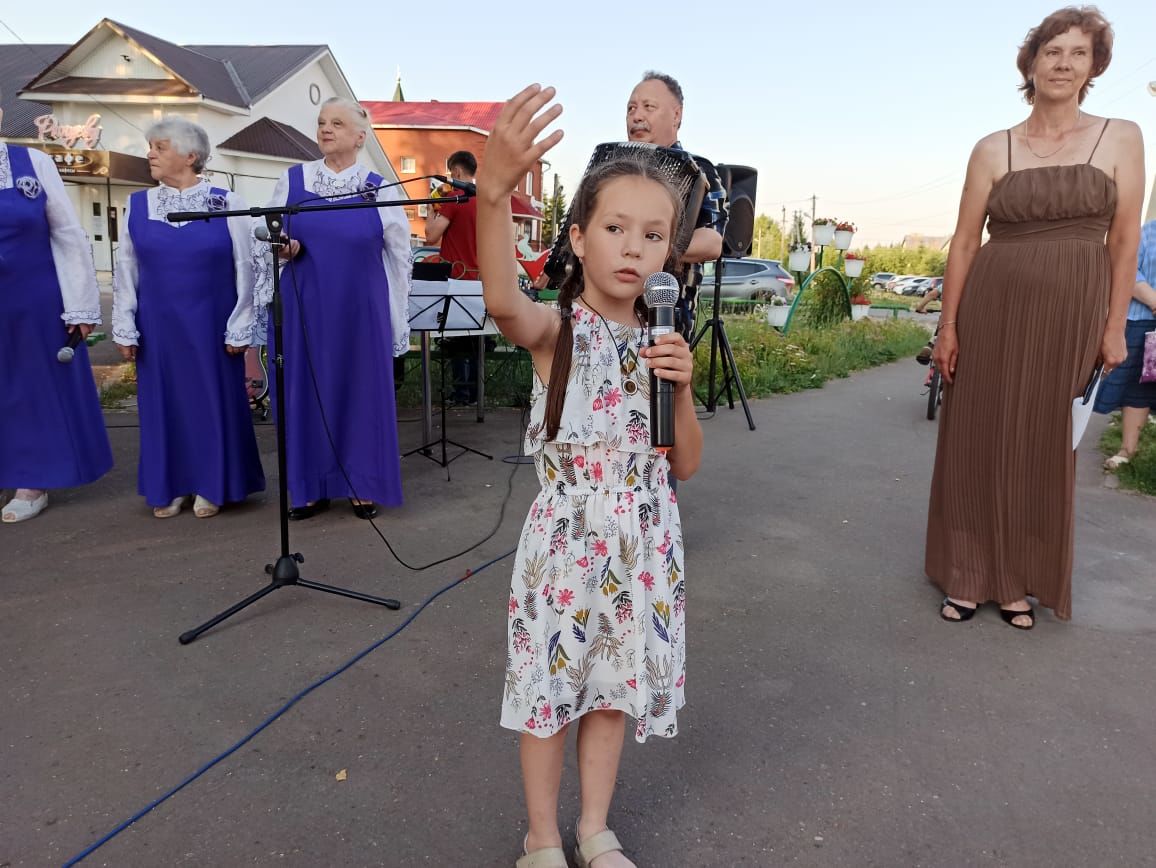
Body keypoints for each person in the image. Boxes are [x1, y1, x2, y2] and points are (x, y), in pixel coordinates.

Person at [478, 84, 703, 868]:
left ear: (671, 253)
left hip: (643, 542)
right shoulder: (558, 332)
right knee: (549, 697)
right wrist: (496, 193)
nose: (634, 248)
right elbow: (505, 302)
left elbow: (688, 463)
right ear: (578, 238)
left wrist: (683, 388)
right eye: (615, 228)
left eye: (653, 235)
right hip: (568, 542)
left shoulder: (665, 341)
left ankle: (593, 827)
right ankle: (542, 835)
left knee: (611, 693)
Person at [926, 7, 1144, 628]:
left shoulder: (1122, 136)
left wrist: (1111, 327)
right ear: (1031, 63)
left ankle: (1018, 578)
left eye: (1078, 53)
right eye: (1052, 51)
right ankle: (968, 573)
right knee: (976, 434)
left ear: (1094, 66)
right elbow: (965, 241)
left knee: (1042, 442)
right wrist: (948, 326)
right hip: (991, 306)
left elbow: (1124, 240)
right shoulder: (993, 147)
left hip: (1072, 313)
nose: (1064, 63)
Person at [259, 97, 411, 520]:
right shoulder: (292, 180)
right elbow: (272, 240)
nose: (326, 129)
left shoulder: (378, 186)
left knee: (361, 393)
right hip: (307, 305)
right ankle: (309, 486)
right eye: (323, 122)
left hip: (362, 310)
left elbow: (400, 256)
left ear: (360, 137)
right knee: (306, 392)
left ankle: (363, 484)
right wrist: (283, 248)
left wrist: (396, 318)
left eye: (338, 123)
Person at [112, 117, 265, 519]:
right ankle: (172, 483)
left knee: (210, 401)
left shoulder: (226, 201)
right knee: (163, 403)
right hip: (158, 323)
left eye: (160, 147)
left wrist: (241, 324)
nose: (151, 154)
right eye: (151, 146)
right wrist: (125, 323)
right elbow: (125, 267)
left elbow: (245, 266)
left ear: (190, 155)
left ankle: (213, 483)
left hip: (211, 320)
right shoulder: (138, 203)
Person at [0, 101, 113, 523]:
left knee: (33, 390)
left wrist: (81, 304)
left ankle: (32, 480)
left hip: (35, 300)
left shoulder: (32, 162)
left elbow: (66, 233)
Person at [626, 71, 725, 339]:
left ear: (676, 115)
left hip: (666, 325)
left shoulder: (698, 173)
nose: (636, 116)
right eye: (631, 108)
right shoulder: (613, 174)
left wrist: (643, 248)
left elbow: (712, 242)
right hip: (604, 321)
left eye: (649, 107)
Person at [424, 150, 485, 403]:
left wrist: (430, 208)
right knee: (475, 342)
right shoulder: (485, 200)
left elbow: (430, 236)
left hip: (456, 277)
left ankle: (460, 393)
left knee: (454, 339)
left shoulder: (454, 199)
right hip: (480, 277)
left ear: (457, 172)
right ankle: (475, 393)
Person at [1096, 218, 1156, 467]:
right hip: (1144, 320)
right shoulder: (1149, 232)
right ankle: (1126, 451)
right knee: (1137, 389)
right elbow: (1127, 269)